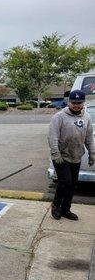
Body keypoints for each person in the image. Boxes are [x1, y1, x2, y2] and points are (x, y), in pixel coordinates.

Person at [48, 89, 94, 220]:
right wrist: (56, 154)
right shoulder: (59, 117)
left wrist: (92, 153)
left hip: (76, 155)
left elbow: (89, 137)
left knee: (73, 185)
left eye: (79, 102)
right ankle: (56, 206)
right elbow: (52, 137)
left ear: (83, 103)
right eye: (74, 102)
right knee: (65, 182)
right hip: (61, 156)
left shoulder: (87, 117)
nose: (76, 105)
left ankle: (65, 209)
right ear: (69, 102)